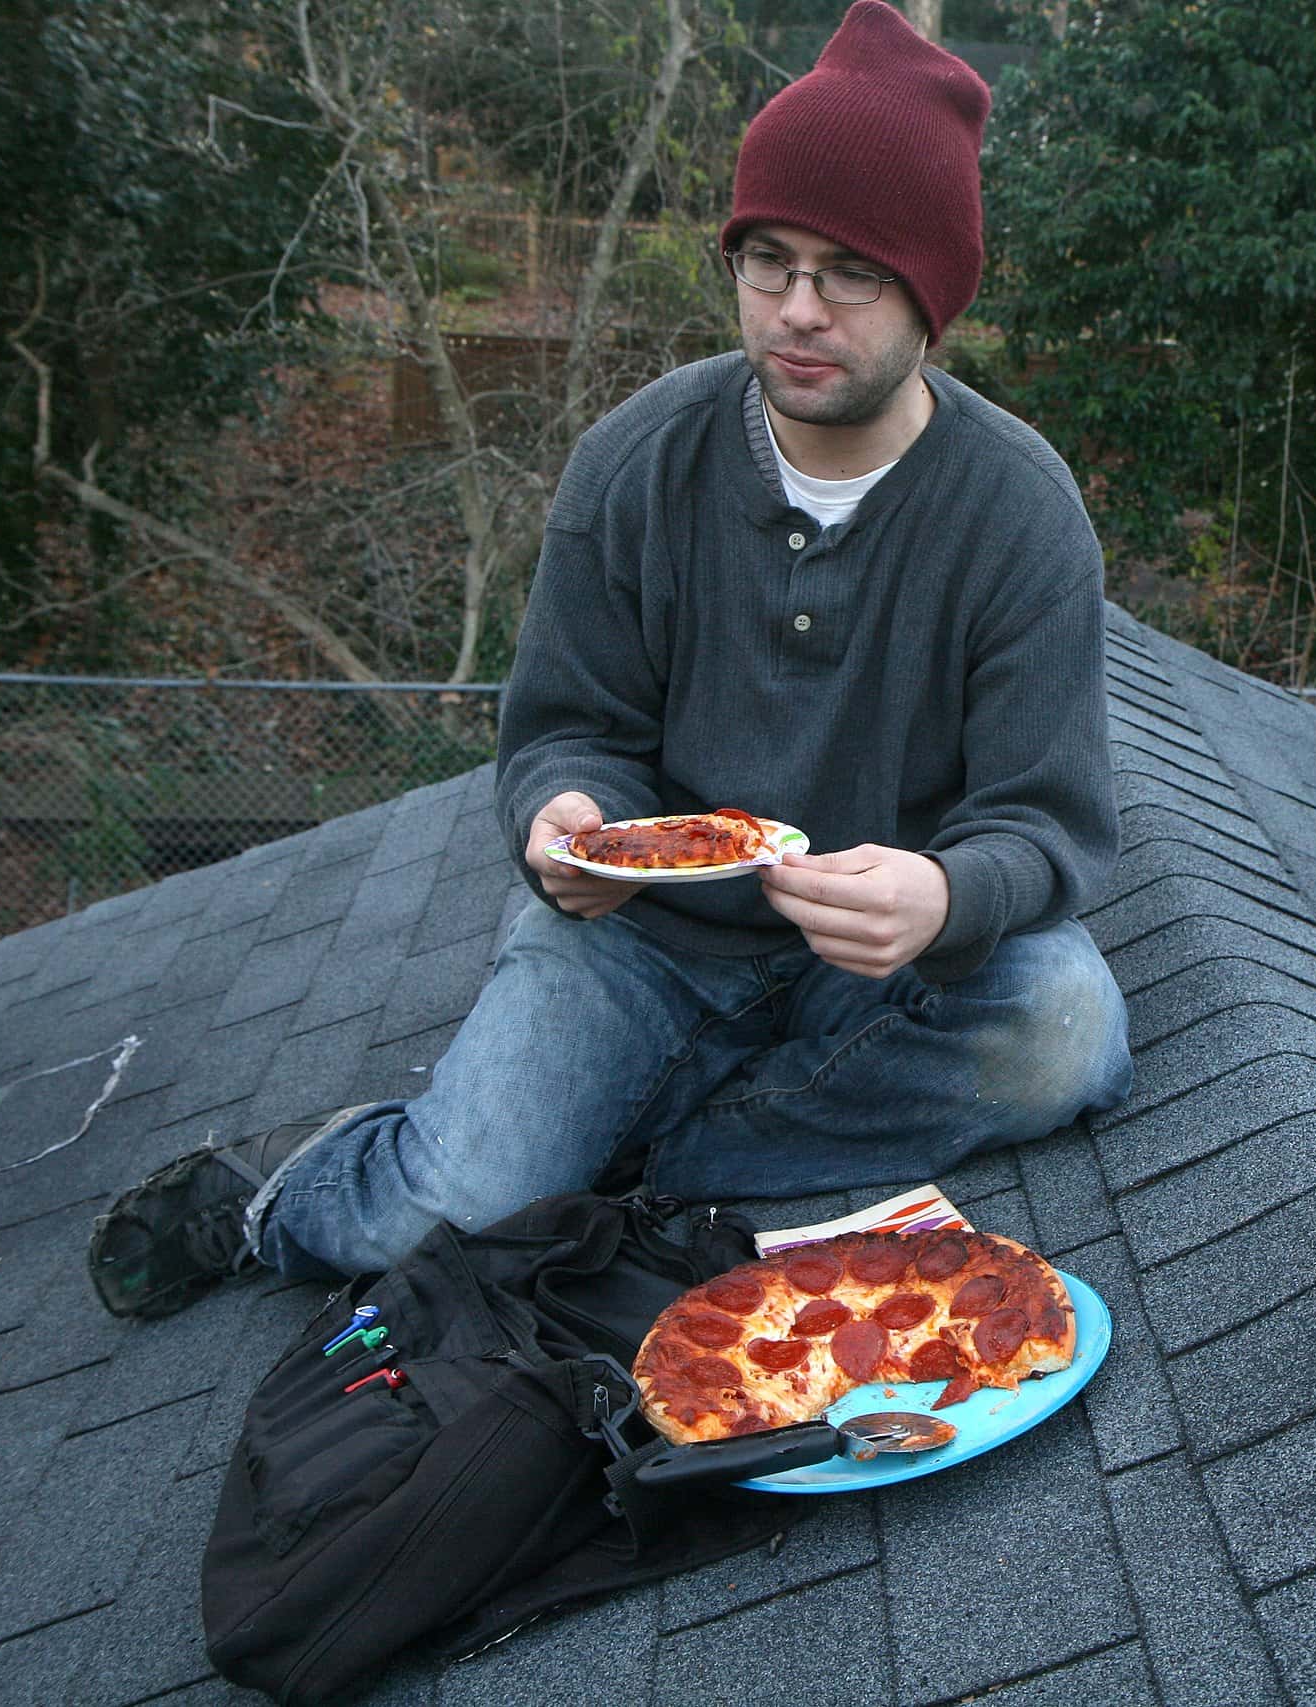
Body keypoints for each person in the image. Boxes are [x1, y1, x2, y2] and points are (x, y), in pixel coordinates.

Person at [88, 1, 1132, 1320]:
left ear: (933, 297)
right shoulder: (636, 463)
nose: (797, 310)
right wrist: (563, 813)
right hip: (640, 939)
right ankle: (284, 1196)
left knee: (1068, 1028)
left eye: (850, 274)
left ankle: (621, 1163)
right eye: (767, 261)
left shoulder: (1017, 511)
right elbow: (566, 732)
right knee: (448, 1208)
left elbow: (1046, 820)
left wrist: (942, 892)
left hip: (874, 960)